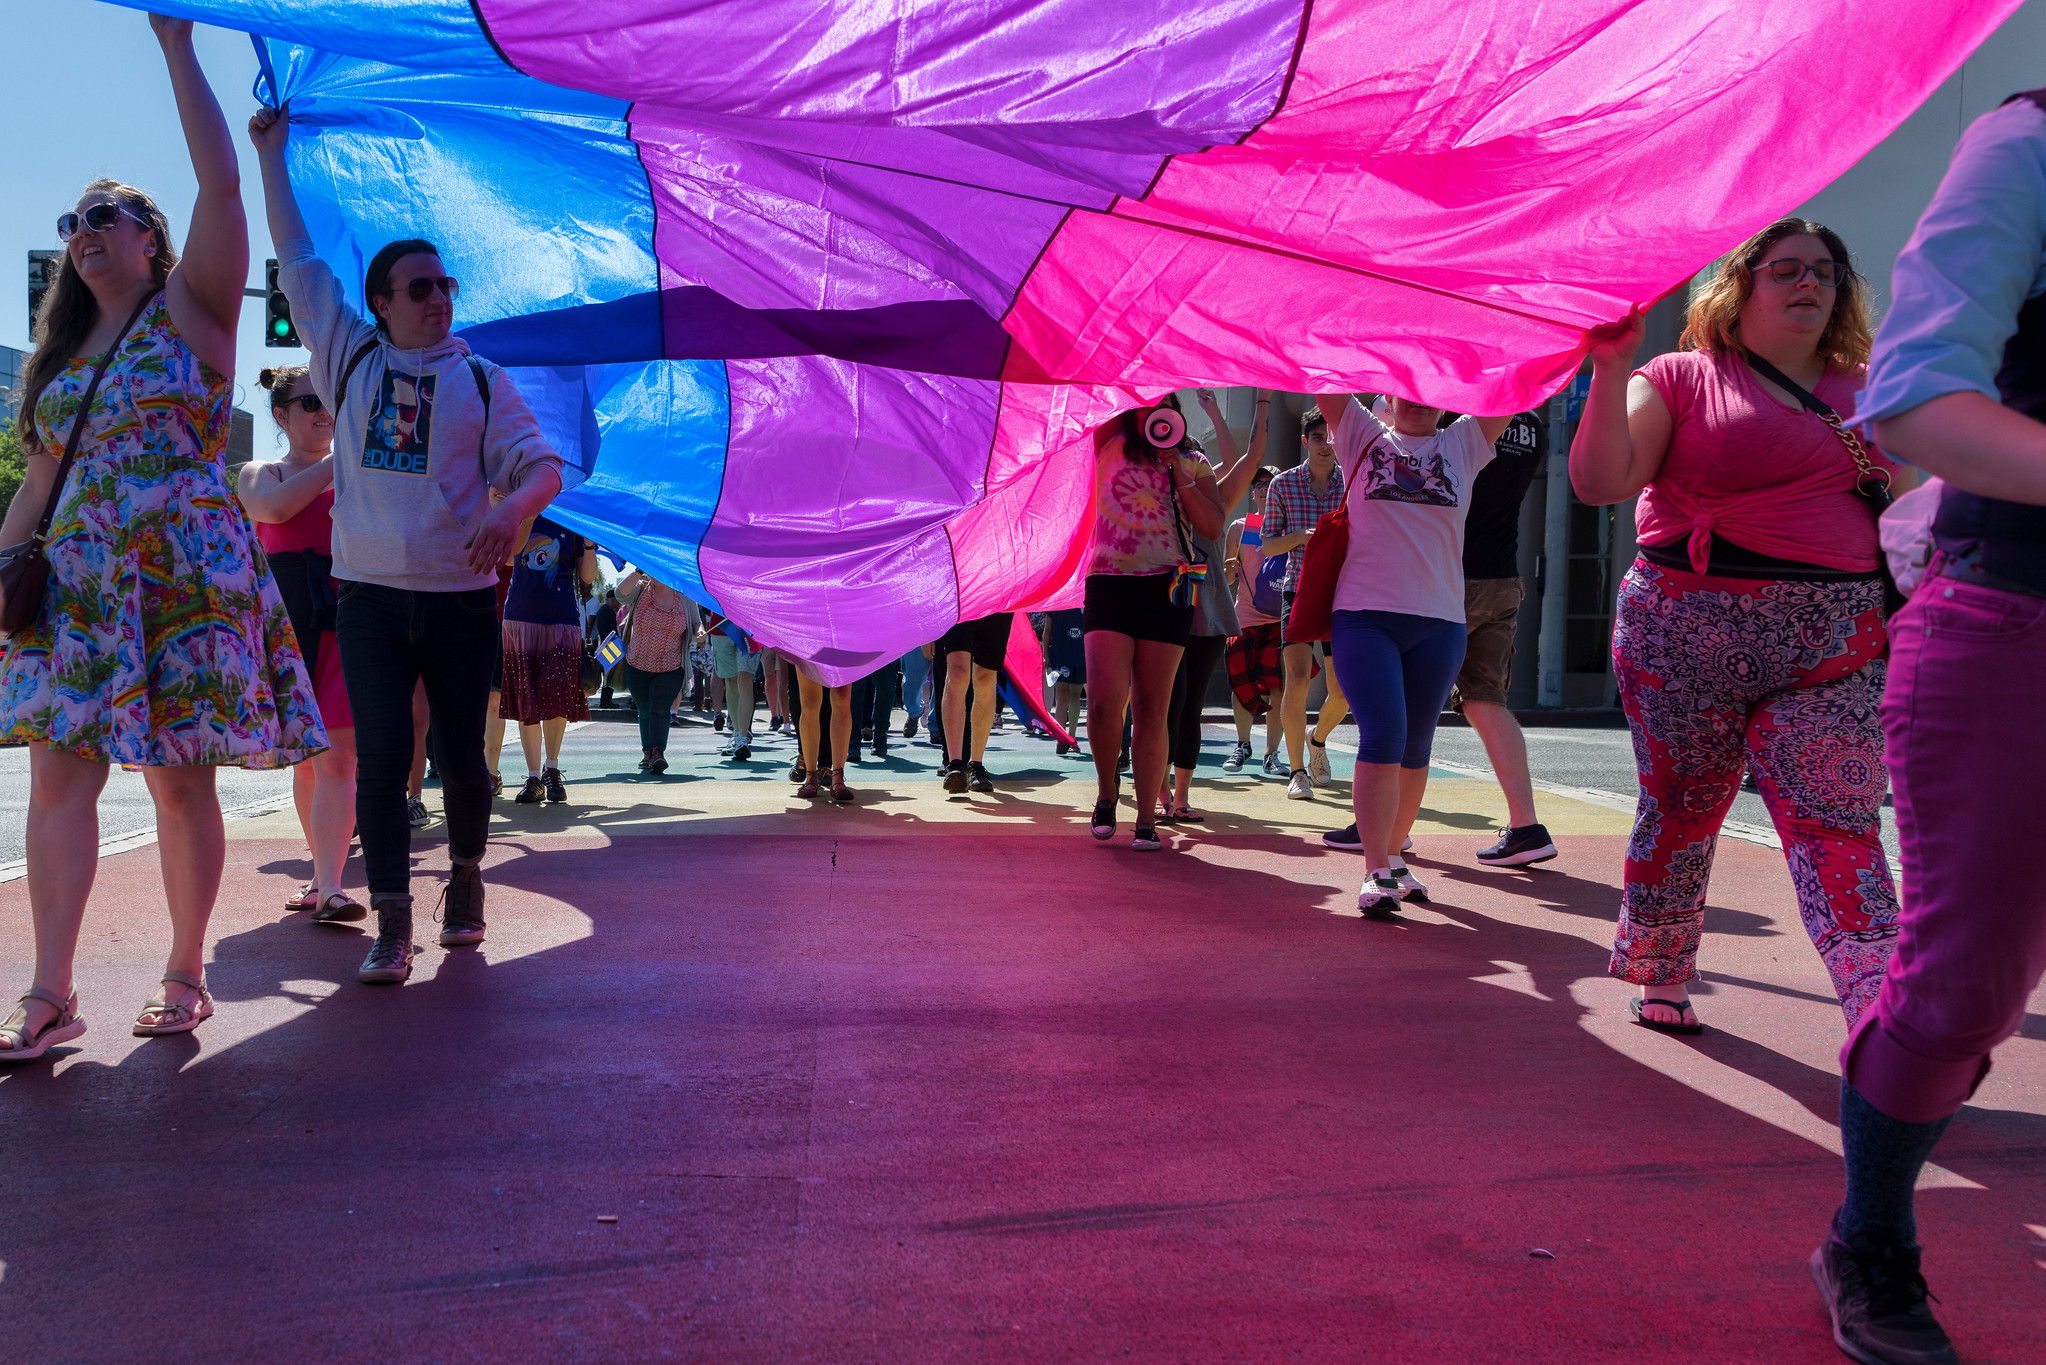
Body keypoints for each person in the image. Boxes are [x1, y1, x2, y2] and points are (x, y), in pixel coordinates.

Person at [0, 19, 325, 1063]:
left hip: (182, 577)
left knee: (179, 779)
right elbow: (39, 488)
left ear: (152, 239)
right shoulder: (56, 365)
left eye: (111, 213)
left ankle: (184, 975)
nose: (88, 228)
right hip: (79, 590)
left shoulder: (194, 312)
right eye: (75, 218)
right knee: (59, 778)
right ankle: (49, 995)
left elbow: (223, 192)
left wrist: (176, 47)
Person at [1800, 90, 2046, 1365]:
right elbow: (1916, 402)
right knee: (1960, 998)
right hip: (2014, 619)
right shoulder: (2031, 136)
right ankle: (1871, 1241)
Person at [253, 101, 565, 986]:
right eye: (419, 288)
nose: (439, 298)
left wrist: (512, 513)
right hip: (370, 599)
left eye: (446, 286)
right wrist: (272, 155)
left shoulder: (480, 377)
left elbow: (541, 467)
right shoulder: (346, 355)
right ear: (382, 303)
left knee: (463, 757)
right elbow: (300, 259)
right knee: (386, 757)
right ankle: (393, 918)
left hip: (463, 601)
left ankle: (463, 876)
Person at [1571, 216, 1899, 1033]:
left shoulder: (1881, 385)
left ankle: (1886, 1007)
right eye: (1786, 269)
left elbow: (1909, 510)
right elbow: (1600, 481)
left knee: (1839, 819)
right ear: (1741, 285)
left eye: (1825, 271)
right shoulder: (1679, 376)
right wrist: (1610, 371)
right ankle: (1661, 970)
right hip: (1684, 640)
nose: (1809, 284)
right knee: (1682, 807)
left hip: (1837, 648)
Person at [1314, 395, 1514, 914]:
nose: (1418, 401)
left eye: (1432, 393)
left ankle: (1397, 858)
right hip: (1365, 615)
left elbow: (1516, 384)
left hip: (1441, 622)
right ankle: (1374, 868)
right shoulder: (1363, 433)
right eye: (1408, 389)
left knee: (1417, 745)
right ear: (1388, 397)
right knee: (1383, 736)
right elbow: (1327, 377)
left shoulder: (1465, 441)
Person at [238, 365, 365, 924]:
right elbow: (274, 509)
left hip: (348, 623)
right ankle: (321, 878)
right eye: (308, 400)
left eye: (330, 398)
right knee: (306, 766)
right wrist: (347, 456)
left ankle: (333, 885)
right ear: (281, 414)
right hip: (284, 629)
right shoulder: (258, 472)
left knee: (339, 757)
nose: (323, 409)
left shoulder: (362, 471)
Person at [1082, 394, 1225, 849]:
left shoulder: (1193, 459)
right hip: (1108, 581)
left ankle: (1146, 817)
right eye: (1143, 400)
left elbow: (1212, 527)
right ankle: (1107, 793)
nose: (1152, 409)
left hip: (1168, 587)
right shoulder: (1109, 439)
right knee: (1105, 703)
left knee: (1151, 708)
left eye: (1162, 401)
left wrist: (1180, 475)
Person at [1428, 411, 1557, 867]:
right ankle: (1526, 826)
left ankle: (1386, 826)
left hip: (1451, 576)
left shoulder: (1458, 412)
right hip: (1502, 576)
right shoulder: (1535, 424)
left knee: (1411, 700)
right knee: (1487, 702)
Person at [1158, 388, 1264, 822]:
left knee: (1191, 705)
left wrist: (1213, 412)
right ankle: (1156, 788)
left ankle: (1180, 795)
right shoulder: (1159, 498)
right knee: (1162, 702)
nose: (1191, 457)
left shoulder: (1215, 498)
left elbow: (1244, 457)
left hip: (1210, 614)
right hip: (1165, 608)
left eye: (1196, 453)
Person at [1260, 406, 1352, 799]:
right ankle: (1297, 771)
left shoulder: (1352, 483)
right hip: (1296, 589)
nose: (1326, 445)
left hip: (1343, 593)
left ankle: (1319, 740)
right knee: (1296, 679)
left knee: (1343, 692)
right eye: (1318, 438)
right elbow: (1267, 545)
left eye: (1331, 437)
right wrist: (1302, 535)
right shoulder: (1282, 485)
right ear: (1305, 442)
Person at [501, 515, 596, 804]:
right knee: (527, 700)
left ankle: (551, 769)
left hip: (562, 619)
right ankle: (533, 776)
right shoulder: (523, 510)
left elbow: (589, 576)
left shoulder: (574, 517)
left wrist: (590, 542)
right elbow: (506, 559)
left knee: (557, 698)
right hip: (521, 617)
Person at [1223, 466, 1287, 776]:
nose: (1264, 488)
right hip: (1245, 616)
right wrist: (1230, 570)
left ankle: (1272, 753)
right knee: (1241, 683)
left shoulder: (1289, 525)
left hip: (1280, 617)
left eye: (1270, 483)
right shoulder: (1240, 527)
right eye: (1259, 483)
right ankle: (1242, 744)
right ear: (1253, 492)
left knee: (1278, 687)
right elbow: (1226, 577)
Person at [616, 567, 697, 773]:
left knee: (660, 709)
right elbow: (620, 594)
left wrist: (701, 633)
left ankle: (657, 752)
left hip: (671, 666)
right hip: (637, 664)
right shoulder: (640, 590)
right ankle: (647, 753)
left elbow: (696, 625)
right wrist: (637, 569)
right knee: (644, 710)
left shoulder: (684, 596)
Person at [935, 612, 1011, 793]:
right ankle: (954, 765)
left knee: (985, 677)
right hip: (960, 596)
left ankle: (976, 765)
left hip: (996, 598)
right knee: (957, 672)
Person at [792, 664, 855, 803]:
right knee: (809, 700)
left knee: (842, 696)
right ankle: (811, 776)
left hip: (842, 642)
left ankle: (838, 777)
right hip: (809, 642)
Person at [704, 611, 759, 761]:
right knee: (731, 681)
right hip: (721, 626)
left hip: (749, 624)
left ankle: (742, 737)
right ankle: (736, 733)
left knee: (745, 677)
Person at [1039, 610, 1086, 756]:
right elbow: (1047, 631)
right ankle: (1064, 739)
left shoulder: (1082, 599)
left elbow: (1047, 631)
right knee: (1063, 695)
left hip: (1080, 652)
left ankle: (1069, 737)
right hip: (1061, 654)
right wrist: (1045, 654)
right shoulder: (1057, 601)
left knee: (1072, 695)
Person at [847, 657, 898, 763]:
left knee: (886, 687)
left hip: (885, 643)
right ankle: (852, 743)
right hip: (856, 643)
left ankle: (880, 736)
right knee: (855, 689)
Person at [589, 588, 621, 708]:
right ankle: (606, 701)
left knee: (607, 675)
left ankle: (606, 700)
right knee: (609, 675)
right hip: (610, 646)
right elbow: (612, 632)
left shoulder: (603, 610)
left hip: (605, 645)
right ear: (612, 600)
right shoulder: (608, 612)